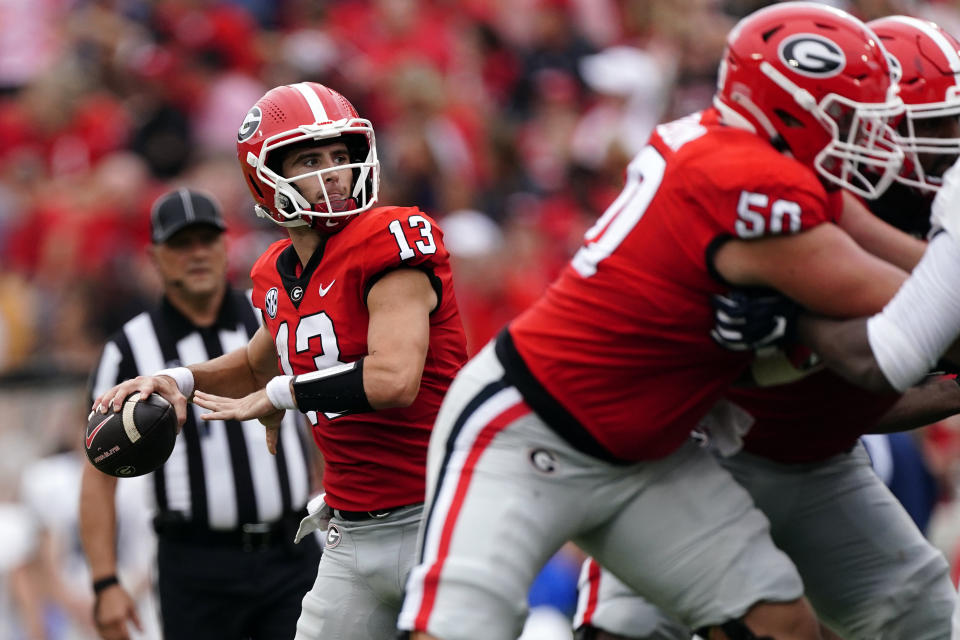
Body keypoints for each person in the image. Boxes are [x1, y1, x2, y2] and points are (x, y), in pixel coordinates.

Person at [396, 3, 934, 639]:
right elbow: (916, 311)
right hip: (530, 425)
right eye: (847, 118)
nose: (872, 141)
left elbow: (918, 271)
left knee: (782, 624)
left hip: (651, 454)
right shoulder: (747, 187)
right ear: (787, 112)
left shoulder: (737, 152)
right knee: (455, 631)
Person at [91, 82, 468, 640]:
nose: (334, 172)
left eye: (341, 156)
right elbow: (255, 364)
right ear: (263, 176)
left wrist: (282, 395)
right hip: (351, 535)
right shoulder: (274, 270)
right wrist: (178, 379)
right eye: (311, 159)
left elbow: (394, 380)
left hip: (438, 515)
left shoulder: (392, 238)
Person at [80, 188, 321, 640]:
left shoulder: (271, 314)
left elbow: (322, 409)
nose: (197, 254)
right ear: (155, 256)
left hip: (291, 553)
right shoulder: (129, 349)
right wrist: (105, 581)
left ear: (226, 244)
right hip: (195, 565)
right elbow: (99, 470)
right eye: (180, 243)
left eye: (206, 239)